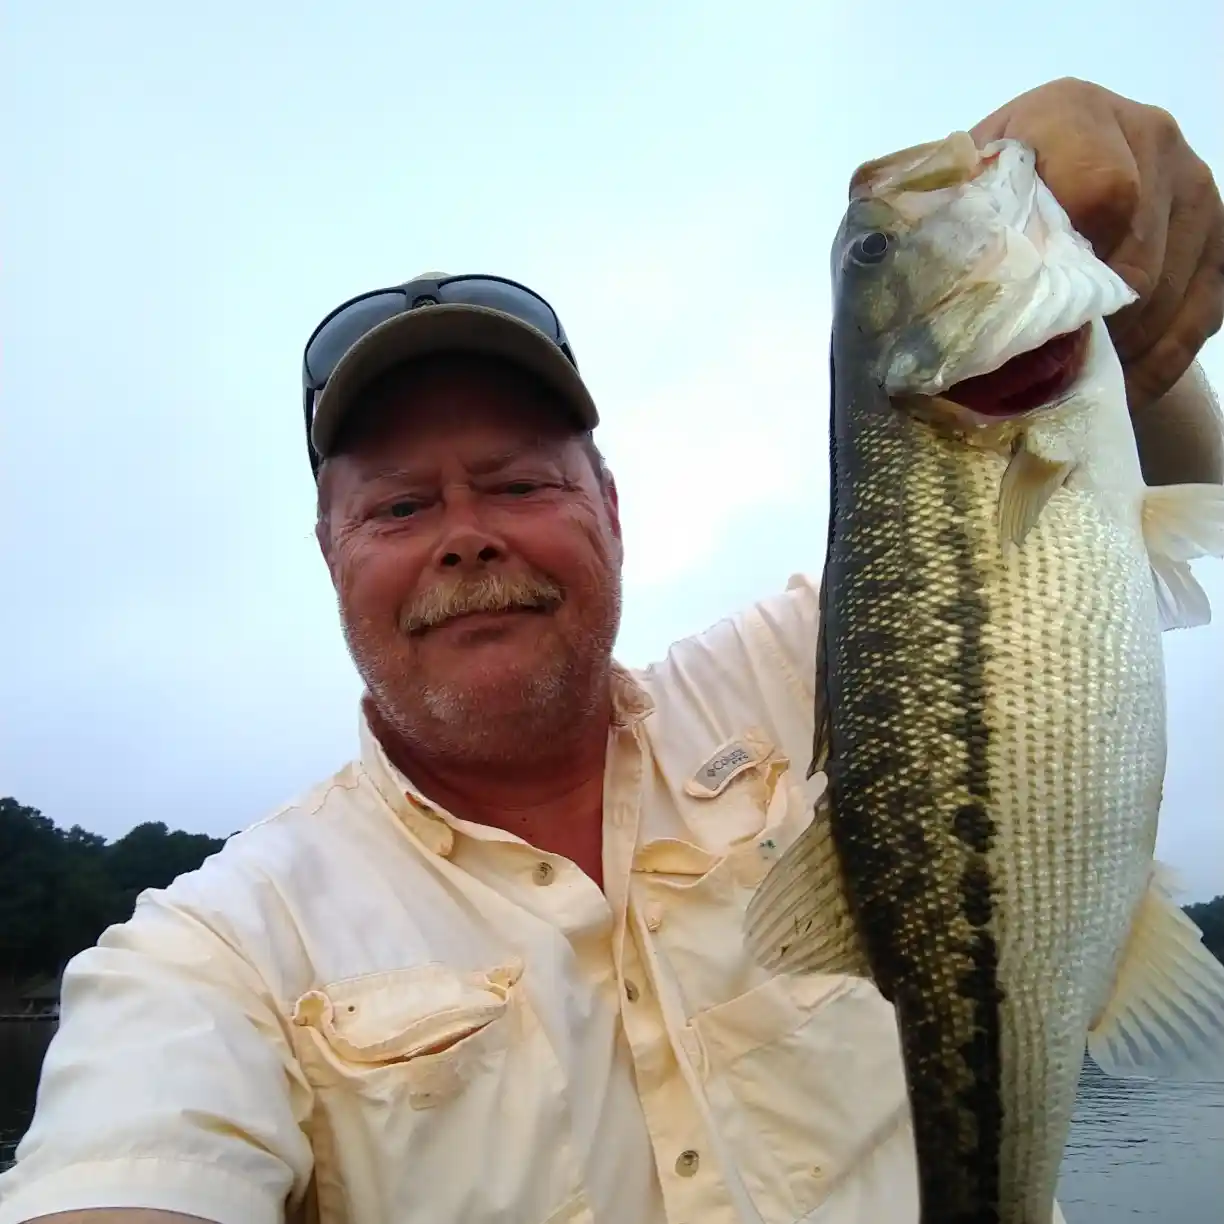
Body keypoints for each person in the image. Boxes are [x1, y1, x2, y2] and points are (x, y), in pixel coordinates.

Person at [1, 76, 1220, 1224]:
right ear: (331, 556)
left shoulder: (810, 663)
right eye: (400, 507)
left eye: (519, 482)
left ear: (613, 513)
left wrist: (1127, 284)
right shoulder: (211, 951)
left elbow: (1159, 497)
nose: (467, 537)